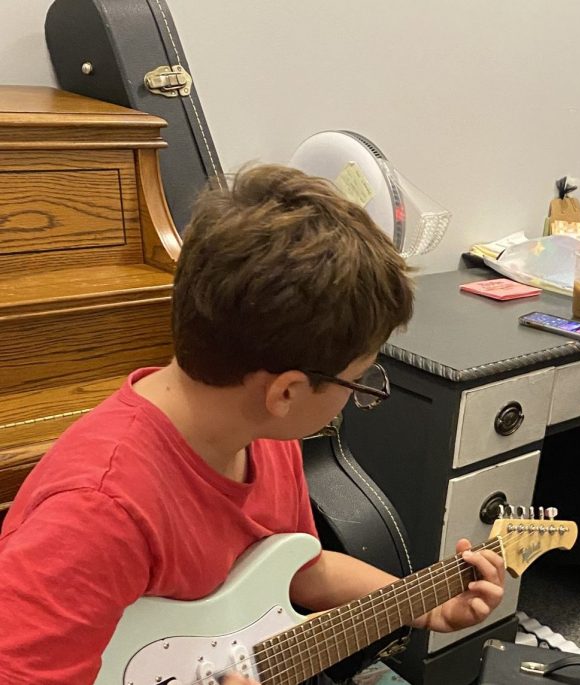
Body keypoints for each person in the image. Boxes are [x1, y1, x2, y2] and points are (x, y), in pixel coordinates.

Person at [0, 164, 505, 684]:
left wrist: (422, 606)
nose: (357, 397)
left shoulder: (260, 433)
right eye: (359, 381)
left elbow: (301, 568)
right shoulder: (97, 513)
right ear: (285, 392)